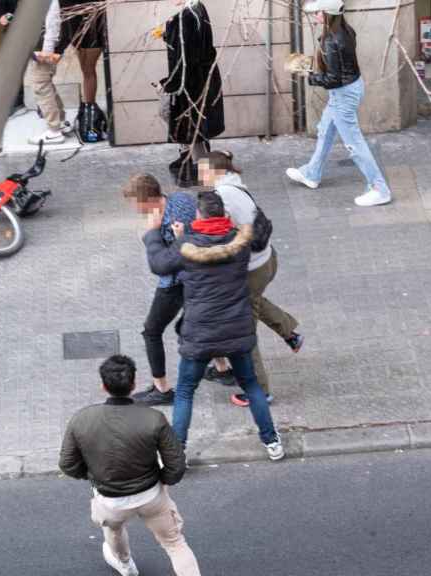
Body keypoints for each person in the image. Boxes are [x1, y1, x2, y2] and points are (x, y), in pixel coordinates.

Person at [143, 190, 285, 461]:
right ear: (225, 215)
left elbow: (160, 264)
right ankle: (272, 442)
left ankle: (177, 451)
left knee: (185, 391)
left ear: (199, 215)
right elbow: (219, 246)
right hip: (236, 330)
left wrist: (154, 234)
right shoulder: (240, 243)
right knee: (251, 385)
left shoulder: (187, 245)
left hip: (200, 333)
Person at [60, 355, 201, 576]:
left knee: (113, 530)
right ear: (134, 384)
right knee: (175, 544)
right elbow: (177, 464)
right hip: (151, 496)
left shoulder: (81, 419)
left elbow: (67, 464)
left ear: (103, 386)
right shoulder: (153, 418)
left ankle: (125, 566)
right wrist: (163, 480)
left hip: (110, 500)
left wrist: (93, 476)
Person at [198, 151, 305, 407]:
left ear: (216, 171)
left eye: (203, 171)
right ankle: (290, 333)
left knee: (243, 331)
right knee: (253, 300)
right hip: (267, 260)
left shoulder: (222, 198)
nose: (200, 176)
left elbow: (217, 235)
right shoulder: (237, 187)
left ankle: (260, 390)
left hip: (251, 270)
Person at [285, 0, 393, 208]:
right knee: (325, 130)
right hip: (348, 89)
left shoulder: (331, 40)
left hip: (343, 94)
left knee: (354, 144)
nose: (316, 16)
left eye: (319, 13)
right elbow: (338, 72)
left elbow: (333, 79)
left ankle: (380, 189)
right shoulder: (345, 30)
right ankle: (312, 173)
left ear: (328, 14)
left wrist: (308, 76)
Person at [122, 173, 197, 406]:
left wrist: (150, 235)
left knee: (152, 331)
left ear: (146, 199)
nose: (134, 208)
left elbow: (162, 264)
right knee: (190, 327)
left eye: (135, 202)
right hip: (197, 277)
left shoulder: (163, 222)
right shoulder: (181, 199)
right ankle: (222, 368)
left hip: (175, 283)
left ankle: (162, 389)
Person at [157, 0, 225, 187]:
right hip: (202, 78)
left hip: (191, 83)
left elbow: (183, 59)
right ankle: (195, 161)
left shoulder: (184, 18)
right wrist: (168, 34)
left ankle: (201, 171)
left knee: (187, 126)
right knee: (195, 128)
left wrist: (169, 87)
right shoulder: (197, 9)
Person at [0, 0, 74, 145]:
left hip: (45, 47)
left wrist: (47, 51)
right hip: (41, 45)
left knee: (40, 85)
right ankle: (60, 122)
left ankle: (54, 131)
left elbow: (53, 21)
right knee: (45, 84)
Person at [59, 0, 109, 141]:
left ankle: (90, 109)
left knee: (88, 71)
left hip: (89, 26)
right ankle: (89, 108)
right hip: (80, 26)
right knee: (87, 71)